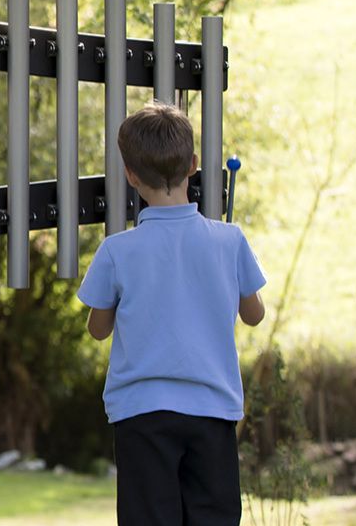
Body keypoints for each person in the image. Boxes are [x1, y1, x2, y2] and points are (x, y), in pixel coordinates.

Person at [78, 101, 266, 526]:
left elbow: (98, 329)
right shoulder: (228, 241)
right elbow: (254, 315)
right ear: (194, 165)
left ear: (130, 175)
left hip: (142, 415)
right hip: (212, 413)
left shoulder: (117, 250)